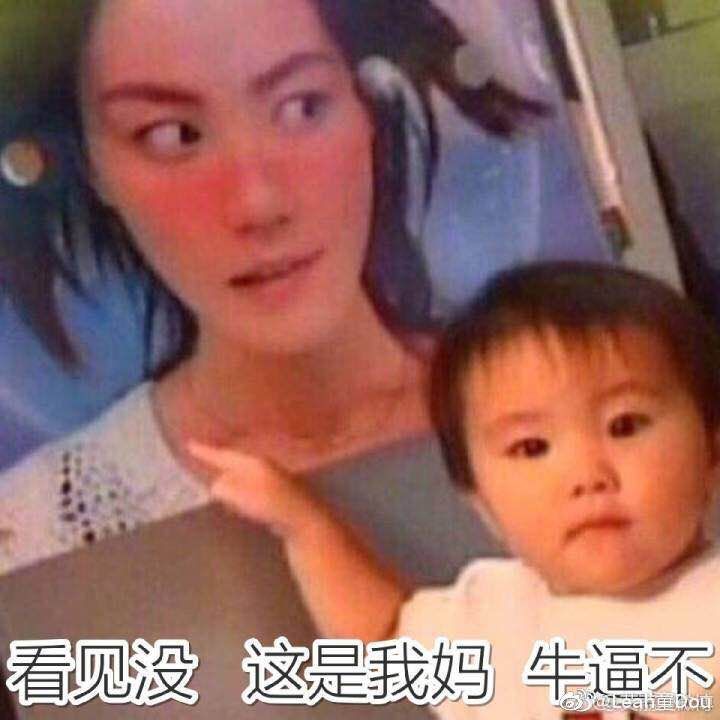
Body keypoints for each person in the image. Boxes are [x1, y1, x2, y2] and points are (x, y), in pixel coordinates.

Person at [0, 0, 547, 575]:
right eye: (173, 136)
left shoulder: (583, 399)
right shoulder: (35, 534)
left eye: (302, 106)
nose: (258, 204)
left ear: (368, 103)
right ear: (93, 167)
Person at [197, 262, 720, 718]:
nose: (587, 474)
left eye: (624, 425)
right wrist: (302, 523)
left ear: (712, 455)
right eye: (531, 447)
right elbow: (383, 638)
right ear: (481, 502)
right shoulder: (495, 614)